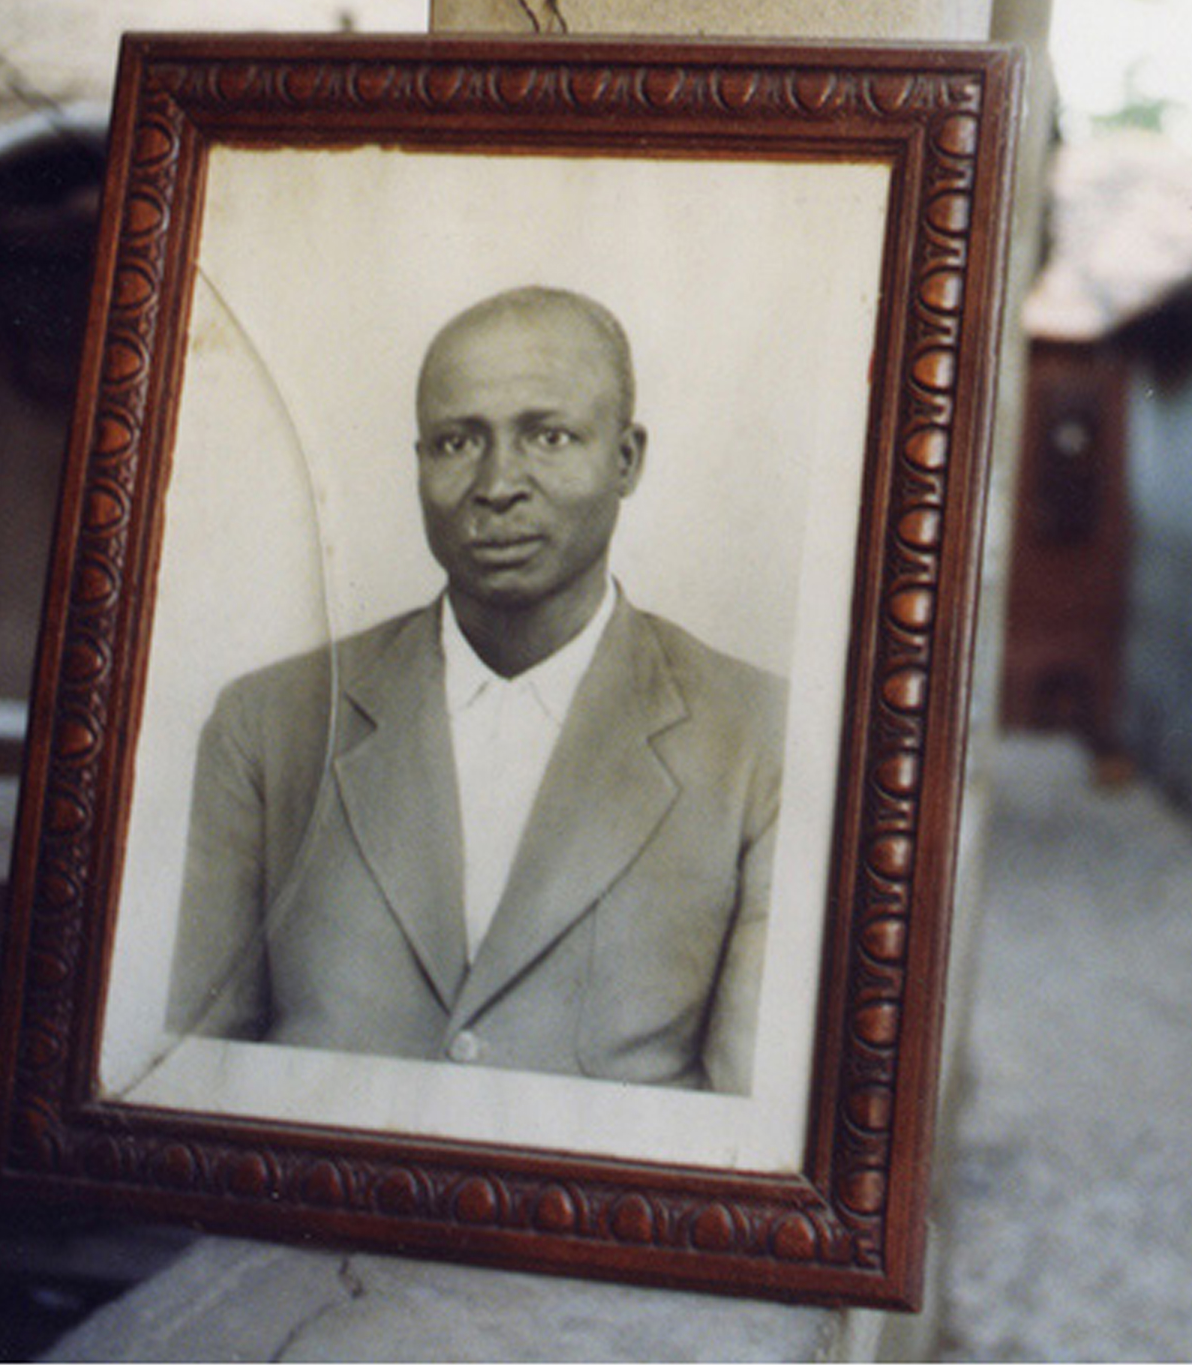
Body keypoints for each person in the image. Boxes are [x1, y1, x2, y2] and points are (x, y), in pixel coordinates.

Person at [166, 286, 783, 1095]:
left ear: (626, 459)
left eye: (550, 436)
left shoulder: (758, 736)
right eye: (458, 442)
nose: (497, 484)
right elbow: (192, 1084)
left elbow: (748, 1132)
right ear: (419, 461)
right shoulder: (267, 725)